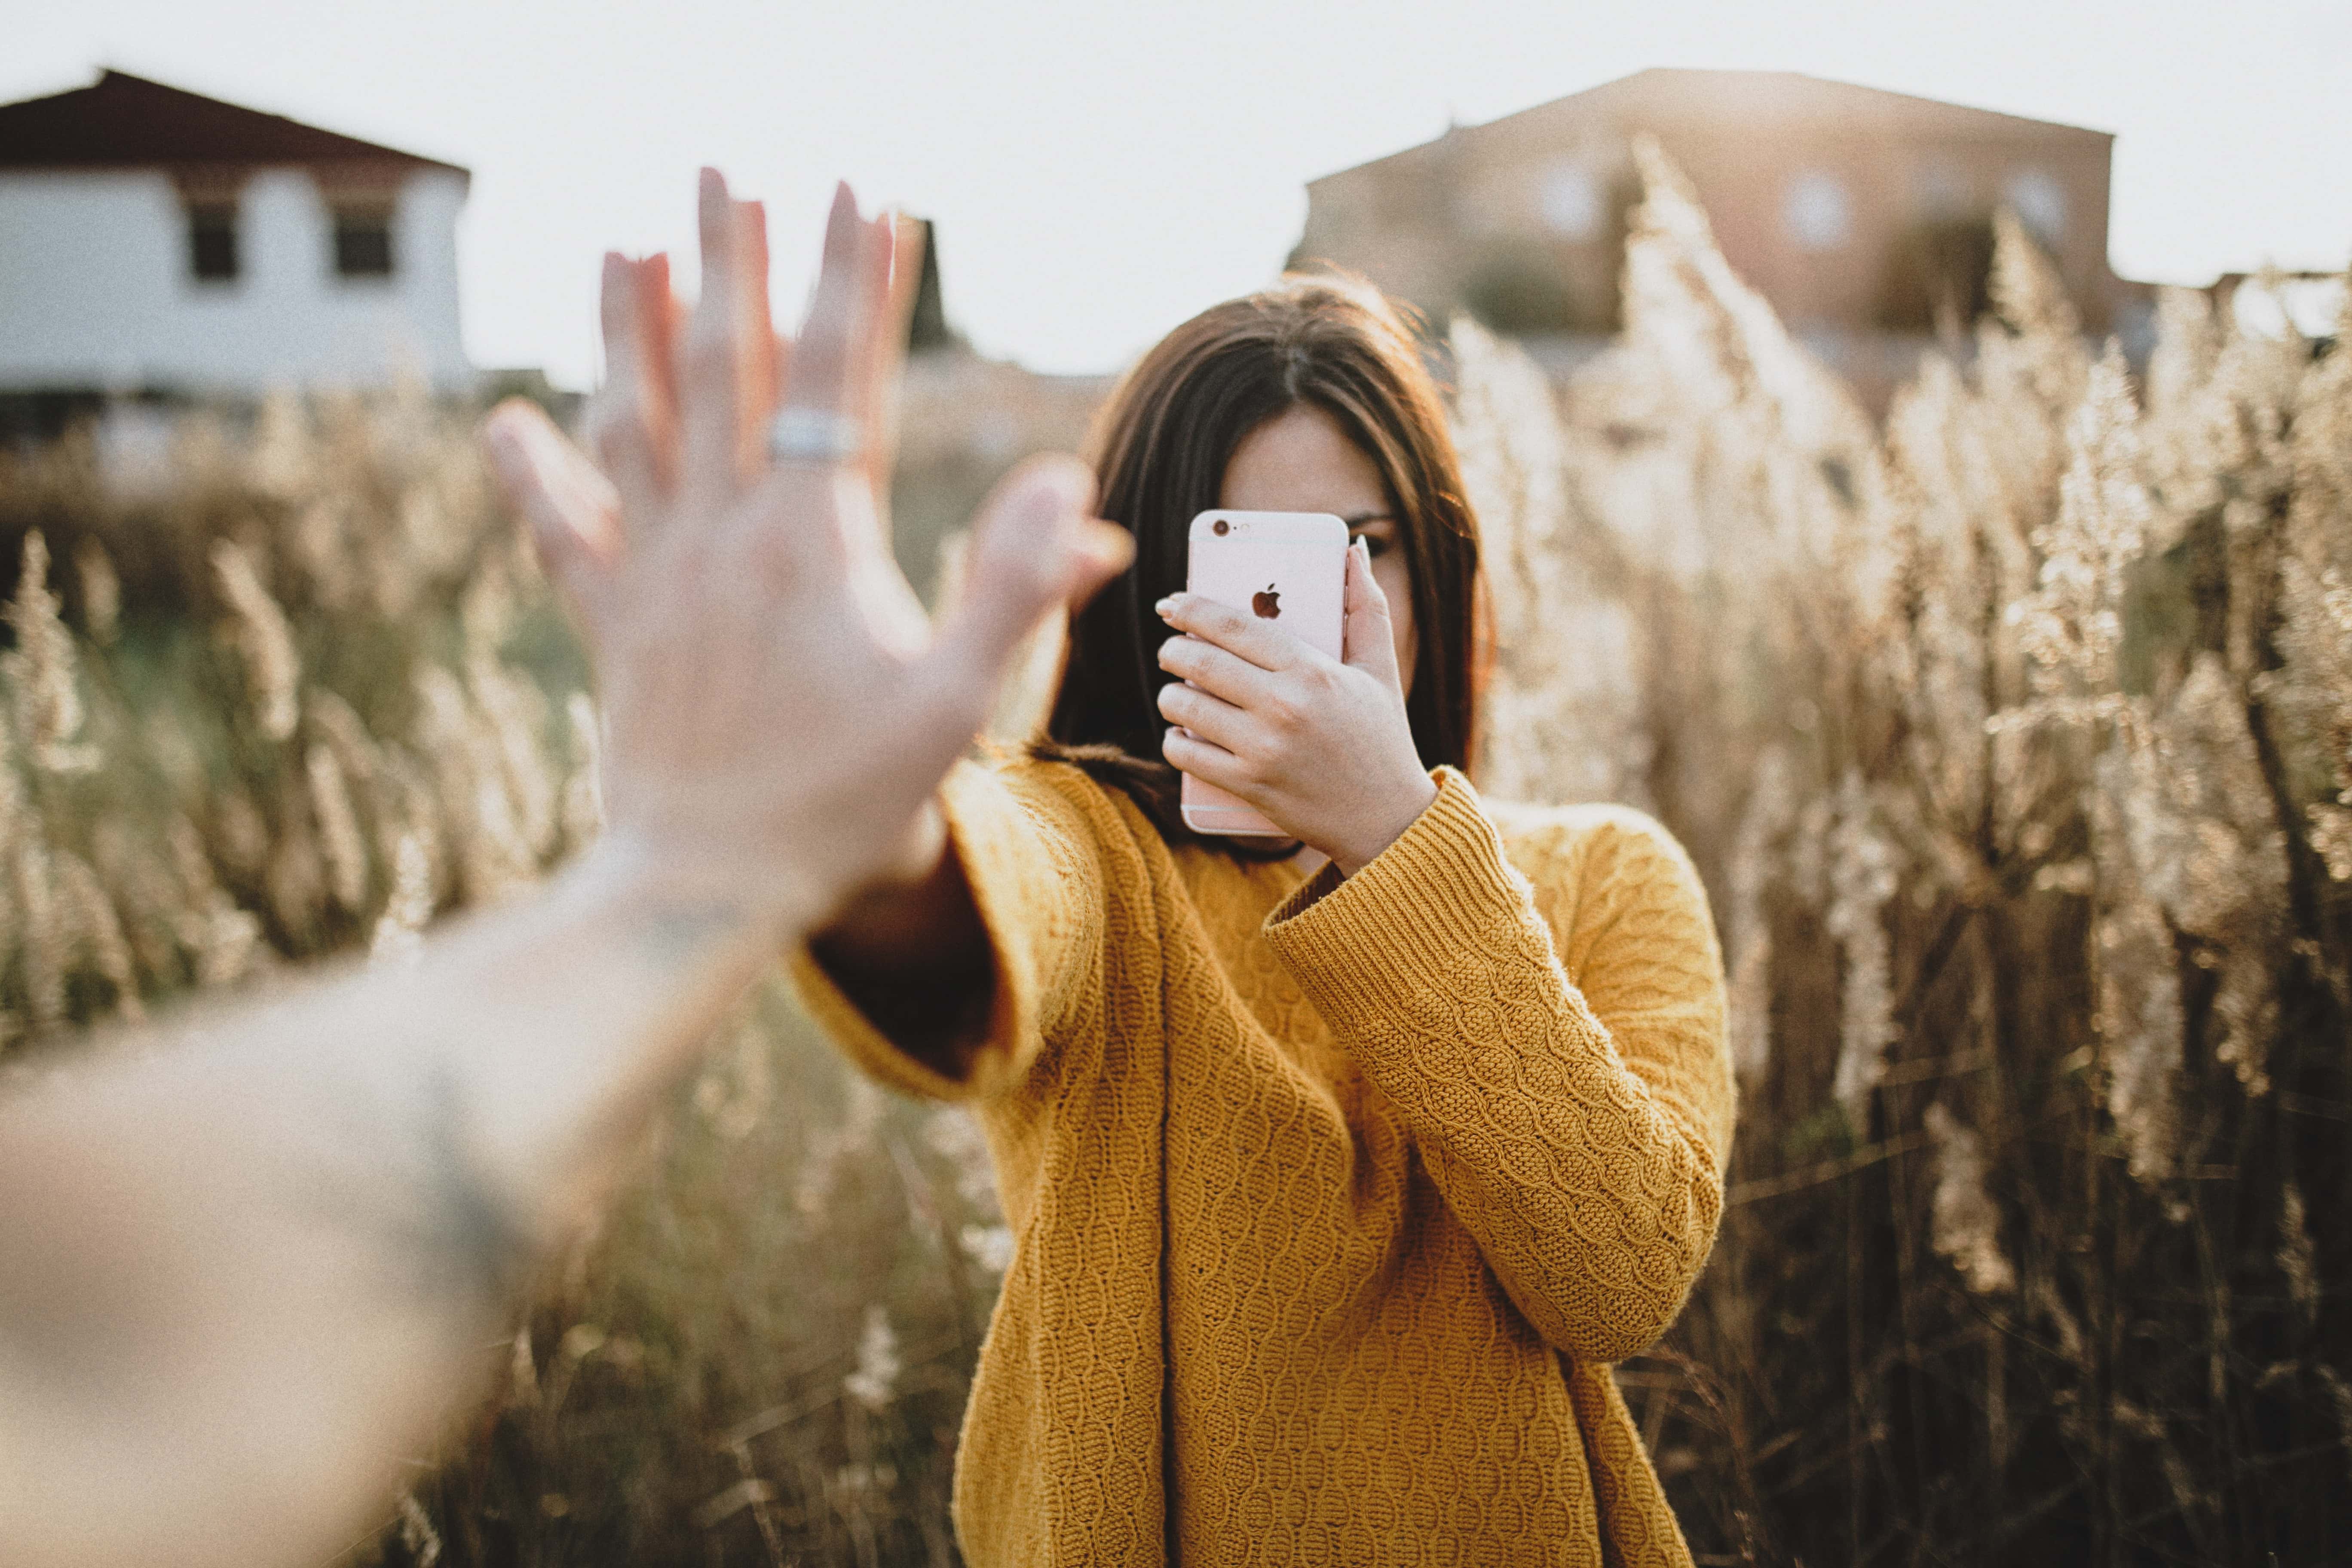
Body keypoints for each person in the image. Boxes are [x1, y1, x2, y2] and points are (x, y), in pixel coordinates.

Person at [0, 170, 1129, 1568]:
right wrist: (712, 861)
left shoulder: (1494, 860)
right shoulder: (1101, 844)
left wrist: (700, 861)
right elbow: (75, 1356)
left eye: (1367, 550)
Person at [780, 276, 1738, 1564]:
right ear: (1147, 583)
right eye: (1248, 559)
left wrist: (1399, 841)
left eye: (1369, 545)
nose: (1317, 620)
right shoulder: (1090, 848)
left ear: (1436, 563)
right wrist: (877, 816)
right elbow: (975, 905)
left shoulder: (1608, 877)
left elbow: (1622, 1275)